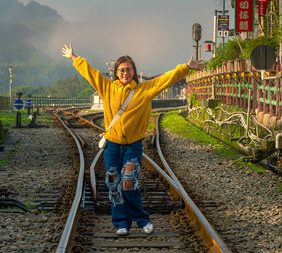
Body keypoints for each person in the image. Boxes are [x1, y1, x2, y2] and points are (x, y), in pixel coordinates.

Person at [61, 44, 204, 236]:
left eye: (128, 69)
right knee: (113, 183)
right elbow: (91, 74)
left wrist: (186, 68)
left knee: (129, 183)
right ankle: (121, 222)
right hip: (112, 144)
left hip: (133, 145)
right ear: (116, 72)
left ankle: (142, 219)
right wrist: (74, 58)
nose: (125, 73)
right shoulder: (107, 88)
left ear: (134, 71)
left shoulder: (145, 89)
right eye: (121, 70)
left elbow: (165, 79)